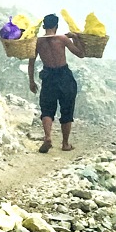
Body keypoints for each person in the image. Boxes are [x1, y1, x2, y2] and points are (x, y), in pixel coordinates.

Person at [28, 13, 86, 153]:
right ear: (56, 26)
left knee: (47, 108)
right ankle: (65, 144)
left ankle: (47, 137)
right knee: (67, 108)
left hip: (48, 77)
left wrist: (31, 81)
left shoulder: (37, 42)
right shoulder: (62, 39)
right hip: (64, 76)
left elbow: (31, 62)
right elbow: (80, 54)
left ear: (44, 26)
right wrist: (76, 38)